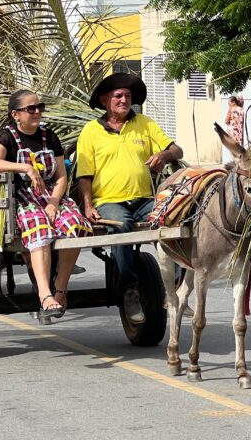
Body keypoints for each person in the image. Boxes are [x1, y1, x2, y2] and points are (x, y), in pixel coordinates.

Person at [76, 73, 184, 323]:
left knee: (171, 218)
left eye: (127, 96)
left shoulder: (145, 124)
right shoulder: (91, 131)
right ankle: (129, 289)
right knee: (121, 226)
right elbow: (84, 174)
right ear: (105, 100)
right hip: (108, 201)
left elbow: (177, 150)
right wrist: (89, 206)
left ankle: (174, 283)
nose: (124, 100)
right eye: (118, 96)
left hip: (144, 199)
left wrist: (164, 156)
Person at [0, 90, 92, 319]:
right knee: (39, 228)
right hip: (22, 198)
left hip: (51, 196)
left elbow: (62, 176)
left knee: (75, 225)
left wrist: (54, 202)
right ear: (16, 114)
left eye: (39, 107)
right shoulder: (7, 137)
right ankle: (44, 294)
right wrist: (26, 168)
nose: (37, 112)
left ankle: (61, 289)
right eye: (30, 108)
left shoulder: (48, 136)